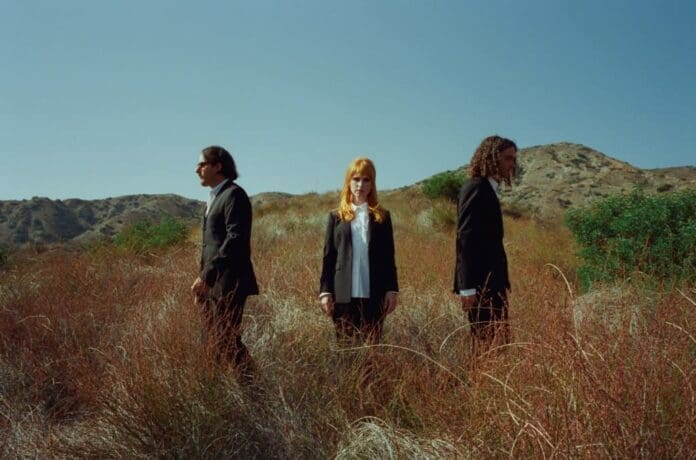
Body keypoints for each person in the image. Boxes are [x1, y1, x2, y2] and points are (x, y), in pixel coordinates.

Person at [191, 145, 259, 377]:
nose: (196, 169)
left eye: (202, 164)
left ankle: (256, 390)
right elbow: (211, 246)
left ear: (218, 166)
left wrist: (206, 276)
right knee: (215, 341)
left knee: (226, 339)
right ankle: (216, 393)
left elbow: (236, 239)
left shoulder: (234, 195)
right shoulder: (213, 198)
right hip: (212, 285)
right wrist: (203, 284)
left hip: (230, 283)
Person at [320, 157, 399, 345]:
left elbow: (389, 257)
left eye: (366, 179)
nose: (360, 184)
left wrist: (392, 289)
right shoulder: (335, 217)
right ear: (348, 182)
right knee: (346, 350)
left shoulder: (382, 217)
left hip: (375, 294)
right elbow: (329, 257)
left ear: (372, 184)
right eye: (356, 179)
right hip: (343, 296)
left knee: (371, 351)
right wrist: (325, 292)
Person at [454, 135, 517, 353]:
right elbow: (465, 239)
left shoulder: (489, 189)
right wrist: (466, 286)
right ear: (492, 158)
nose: (512, 164)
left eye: (513, 159)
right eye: (508, 158)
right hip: (480, 285)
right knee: (485, 346)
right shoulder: (476, 188)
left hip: (493, 284)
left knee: (498, 345)